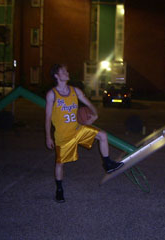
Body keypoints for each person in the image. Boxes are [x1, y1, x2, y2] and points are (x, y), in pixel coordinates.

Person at [45, 64, 124, 203]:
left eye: (66, 70)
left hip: (78, 129)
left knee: (102, 135)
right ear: (56, 76)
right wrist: (48, 136)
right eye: (63, 71)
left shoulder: (75, 91)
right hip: (63, 136)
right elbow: (47, 117)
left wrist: (95, 114)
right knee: (60, 164)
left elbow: (89, 104)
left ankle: (107, 164)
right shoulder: (52, 94)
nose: (67, 72)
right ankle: (59, 189)